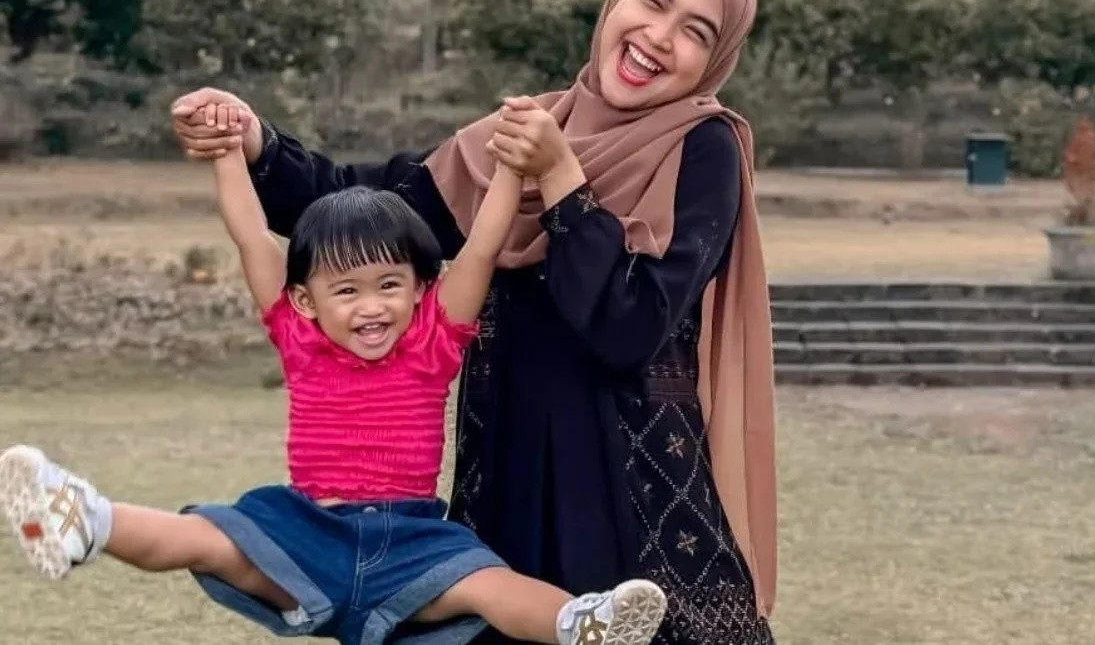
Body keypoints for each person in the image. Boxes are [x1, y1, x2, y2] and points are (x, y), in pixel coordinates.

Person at [169, 0, 777, 644]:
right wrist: (254, 143)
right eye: (652, 1)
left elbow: (629, 326)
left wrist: (561, 178)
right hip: (507, 488)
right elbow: (370, 213)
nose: (659, 36)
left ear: (717, 59)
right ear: (617, 0)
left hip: (633, 503)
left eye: (695, 32)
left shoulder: (702, 150)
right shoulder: (521, 134)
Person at [0, 132, 669, 645]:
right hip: (308, 534)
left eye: (389, 285)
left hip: (411, 546)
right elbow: (250, 236)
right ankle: (82, 520)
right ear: (306, 300)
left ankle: (582, 624)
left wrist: (513, 172)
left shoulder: (433, 343)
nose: (371, 307)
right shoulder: (300, 338)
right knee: (202, 537)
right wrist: (228, 151)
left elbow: (481, 251)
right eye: (346, 291)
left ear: (420, 289)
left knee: (491, 584)